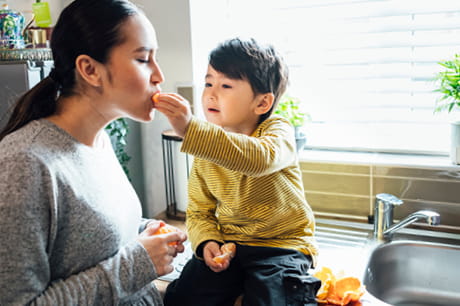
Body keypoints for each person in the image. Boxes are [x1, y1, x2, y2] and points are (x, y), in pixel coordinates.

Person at [0, 0, 187, 305]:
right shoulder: (24, 164)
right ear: (89, 69)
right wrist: (139, 261)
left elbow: (87, 239)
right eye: (143, 59)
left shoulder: (99, 141)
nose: (158, 75)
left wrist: (146, 232)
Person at [155, 38, 321, 306]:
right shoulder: (205, 148)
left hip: (282, 246)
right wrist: (207, 242)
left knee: (277, 297)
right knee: (185, 295)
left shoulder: (277, 131)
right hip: (230, 245)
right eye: (209, 83)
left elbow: (259, 159)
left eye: (226, 86)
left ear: (262, 103)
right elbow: (199, 211)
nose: (210, 93)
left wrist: (190, 129)